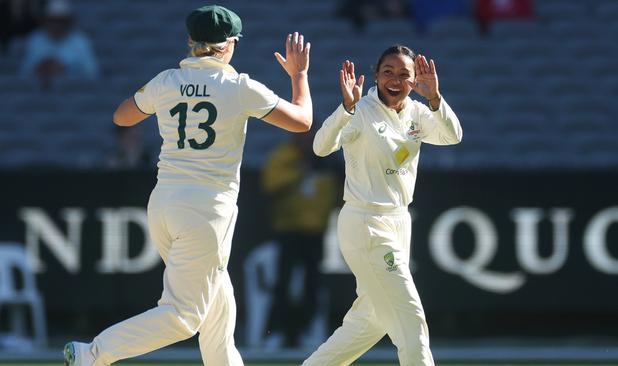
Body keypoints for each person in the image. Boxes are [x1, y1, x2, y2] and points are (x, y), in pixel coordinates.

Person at [63, 4, 312, 366]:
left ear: (190, 42)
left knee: (217, 308)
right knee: (184, 315)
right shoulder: (239, 86)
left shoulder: (166, 81)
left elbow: (122, 116)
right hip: (207, 210)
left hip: (164, 204)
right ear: (228, 45)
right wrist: (299, 75)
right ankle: (93, 354)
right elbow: (303, 122)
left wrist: (162, 99)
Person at [303, 46, 462, 365]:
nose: (395, 79)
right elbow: (321, 147)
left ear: (415, 79)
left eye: (405, 74)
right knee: (410, 316)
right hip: (365, 222)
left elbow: (452, 136)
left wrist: (435, 99)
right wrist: (346, 108)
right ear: (375, 75)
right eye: (388, 71)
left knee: (370, 320)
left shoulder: (418, 113)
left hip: (399, 222)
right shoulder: (360, 111)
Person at [261, 132, 339, 347]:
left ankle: (305, 332)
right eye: (304, 137)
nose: (308, 141)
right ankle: (278, 333)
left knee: (312, 285)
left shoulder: (326, 159)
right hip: (288, 230)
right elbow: (271, 184)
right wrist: (299, 171)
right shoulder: (283, 156)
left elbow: (333, 193)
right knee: (283, 283)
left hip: (315, 232)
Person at [20, 0, 98, 88]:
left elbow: (92, 74)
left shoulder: (81, 41)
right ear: (46, 21)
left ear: (68, 22)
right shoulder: (35, 39)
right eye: (52, 21)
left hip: (72, 92)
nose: (56, 25)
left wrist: (66, 70)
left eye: (60, 21)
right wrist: (42, 68)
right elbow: (24, 74)